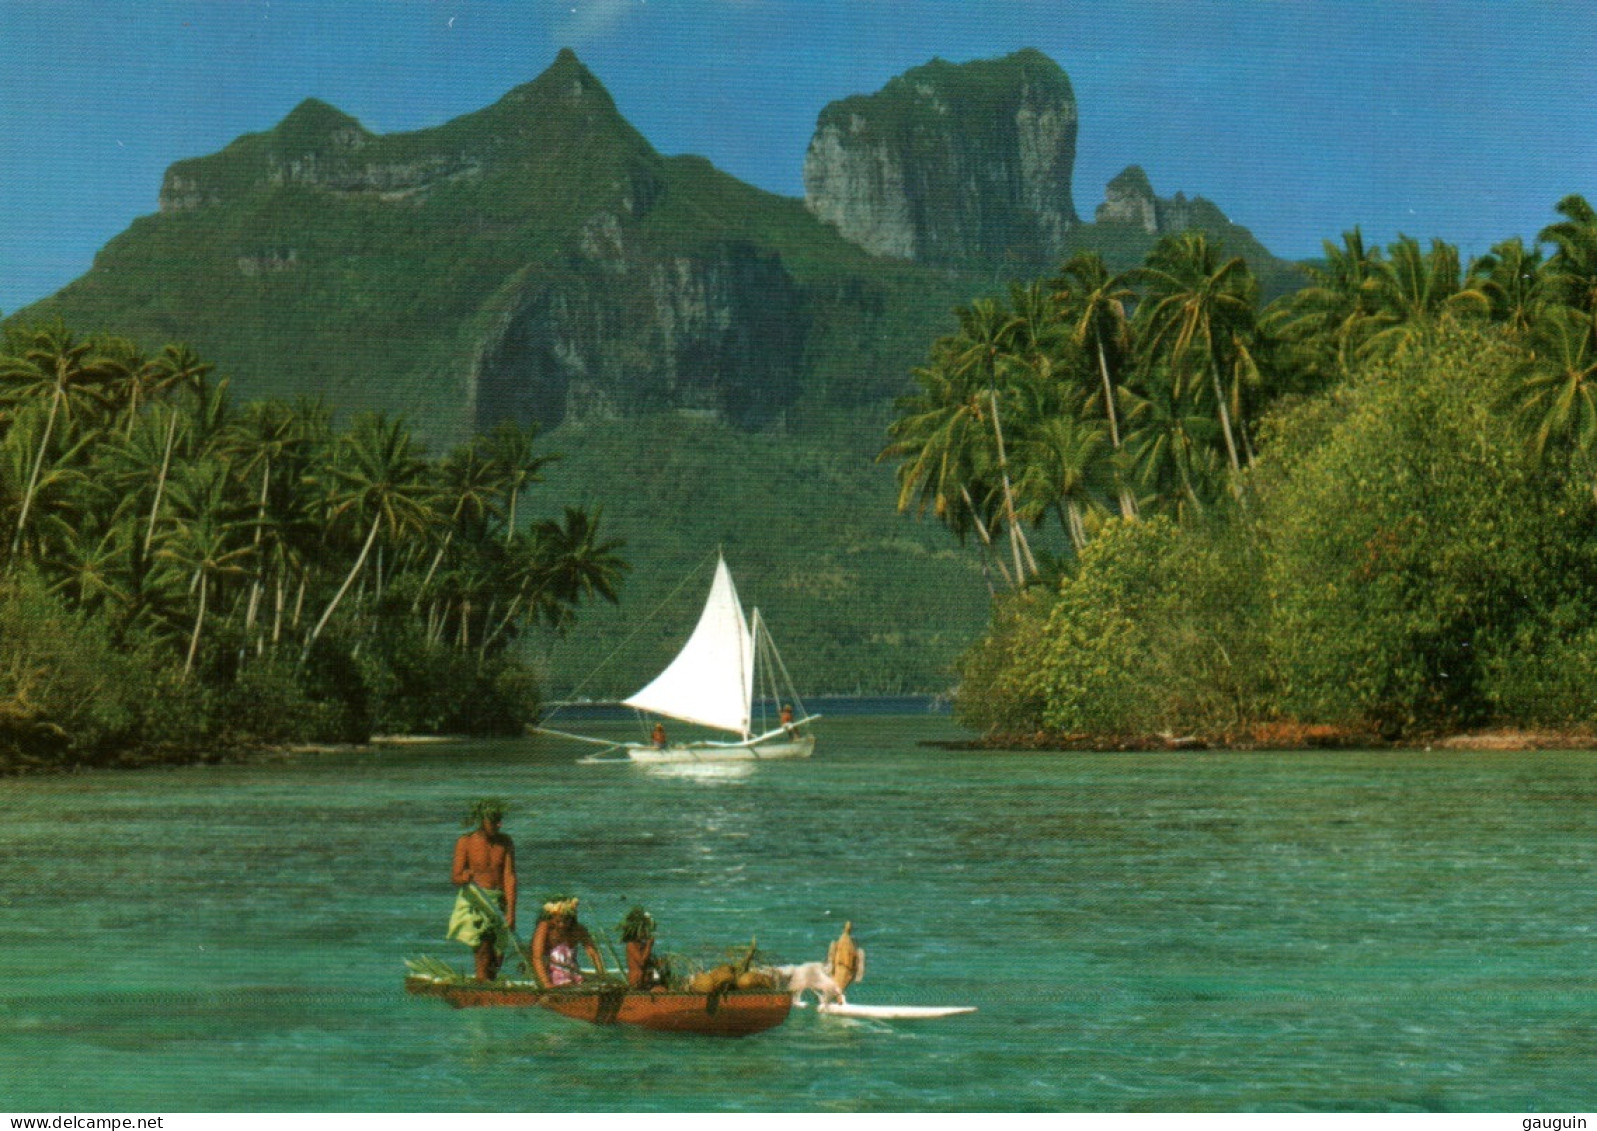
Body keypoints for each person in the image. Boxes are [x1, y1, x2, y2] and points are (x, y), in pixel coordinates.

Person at [447, 798, 518, 981]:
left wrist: (511, 911)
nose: (499, 824)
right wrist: (465, 877)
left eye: (499, 819)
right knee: (483, 949)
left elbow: (509, 877)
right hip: (475, 901)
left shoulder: (505, 842)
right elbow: (455, 877)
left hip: (497, 901)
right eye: (494, 820)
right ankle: (481, 987)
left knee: (498, 954)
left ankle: (488, 990)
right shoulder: (466, 842)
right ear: (482, 820)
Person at [531, 896, 606, 987]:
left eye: (566, 920)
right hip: (549, 973)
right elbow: (537, 957)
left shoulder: (578, 929)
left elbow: (592, 952)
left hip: (572, 972)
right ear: (551, 916)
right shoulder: (545, 927)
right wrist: (546, 983)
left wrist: (601, 975)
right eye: (558, 921)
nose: (562, 925)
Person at [618, 905, 667, 990]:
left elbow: (647, 961)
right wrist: (649, 945)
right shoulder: (631, 945)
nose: (646, 933)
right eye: (644, 930)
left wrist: (660, 962)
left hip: (645, 982)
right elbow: (641, 962)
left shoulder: (642, 945)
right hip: (636, 983)